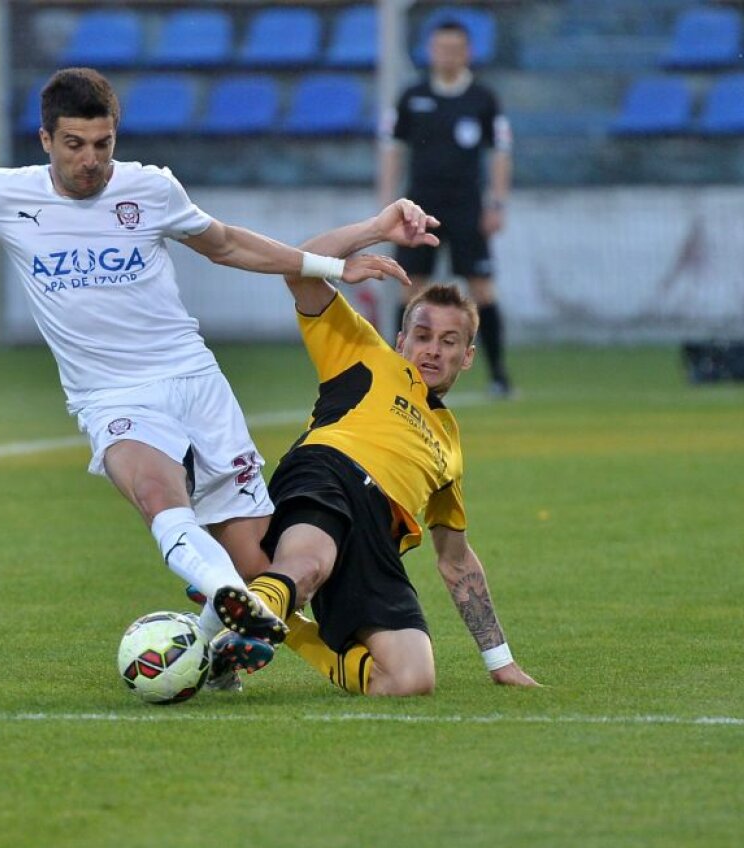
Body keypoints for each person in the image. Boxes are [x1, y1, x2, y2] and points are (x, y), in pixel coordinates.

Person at [0, 67, 408, 685]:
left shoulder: (150, 189)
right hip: (110, 395)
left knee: (271, 569)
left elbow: (225, 243)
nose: (90, 160)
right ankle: (230, 596)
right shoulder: (2, 193)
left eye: (103, 144)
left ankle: (218, 631)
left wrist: (332, 265)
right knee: (156, 495)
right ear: (44, 140)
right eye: (74, 144)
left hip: (193, 381)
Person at [215, 200, 540, 696]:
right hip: (330, 475)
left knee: (411, 679)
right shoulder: (365, 354)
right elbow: (298, 269)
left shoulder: (449, 446)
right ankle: (244, 626)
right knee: (307, 564)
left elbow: (455, 559)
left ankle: (277, 624)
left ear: (468, 357)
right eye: (424, 335)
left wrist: (500, 660)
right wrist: (371, 231)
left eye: (450, 341)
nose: (434, 349)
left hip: (378, 544)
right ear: (401, 339)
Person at [380, 19, 515, 397]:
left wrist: (497, 203)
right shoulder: (411, 97)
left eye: (456, 49)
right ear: (430, 50)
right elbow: (393, 149)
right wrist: (388, 201)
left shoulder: (483, 99)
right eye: (441, 48)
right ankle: (397, 373)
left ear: (468, 52)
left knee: (482, 289)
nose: (448, 55)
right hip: (418, 208)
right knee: (410, 290)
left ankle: (499, 375)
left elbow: (501, 153)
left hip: (467, 208)